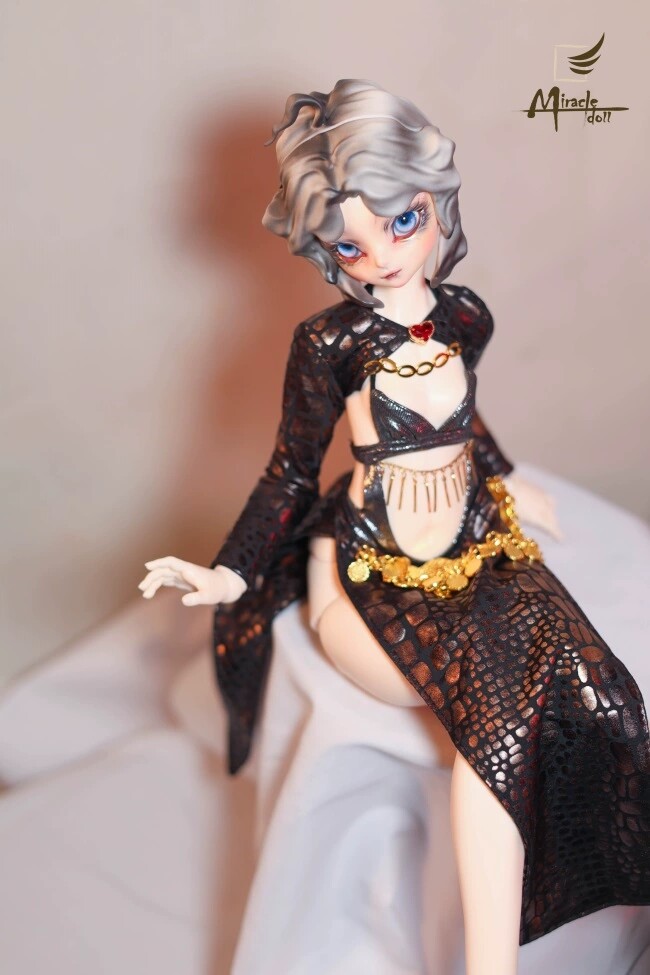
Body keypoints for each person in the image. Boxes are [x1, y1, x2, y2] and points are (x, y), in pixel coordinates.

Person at [138, 79, 650, 972]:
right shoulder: (329, 345)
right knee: (495, 726)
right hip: (379, 572)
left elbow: (465, 420)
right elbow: (291, 470)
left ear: (434, 198)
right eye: (350, 243)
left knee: (603, 687)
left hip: (477, 543)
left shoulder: (465, 316)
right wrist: (232, 570)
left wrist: (506, 477)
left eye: (401, 222)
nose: (380, 256)